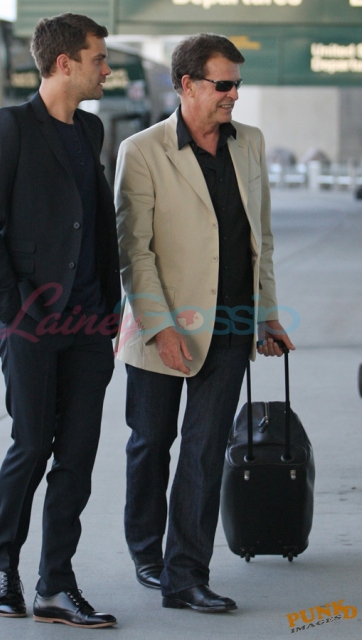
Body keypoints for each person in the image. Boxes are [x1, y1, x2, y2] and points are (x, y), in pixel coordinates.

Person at [115, 33, 295, 613]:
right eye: (223, 84)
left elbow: (261, 238)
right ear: (187, 84)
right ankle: (148, 551)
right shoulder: (142, 151)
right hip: (162, 327)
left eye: (237, 84)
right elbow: (134, 251)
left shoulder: (251, 143)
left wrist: (266, 314)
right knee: (151, 443)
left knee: (204, 448)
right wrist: (161, 327)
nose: (233, 95)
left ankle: (186, 573)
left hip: (231, 324)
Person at [0, 13, 120, 629]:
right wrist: (12, 311)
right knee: (32, 445)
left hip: (89, 323)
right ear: (64, 63)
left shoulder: (90, 129)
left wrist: (111, 309)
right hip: (31, 321)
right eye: (98, 58)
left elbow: (95, 224)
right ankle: (1, 563)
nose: (106, 69)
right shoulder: (11, 127)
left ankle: (56, 583)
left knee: (77, 456)